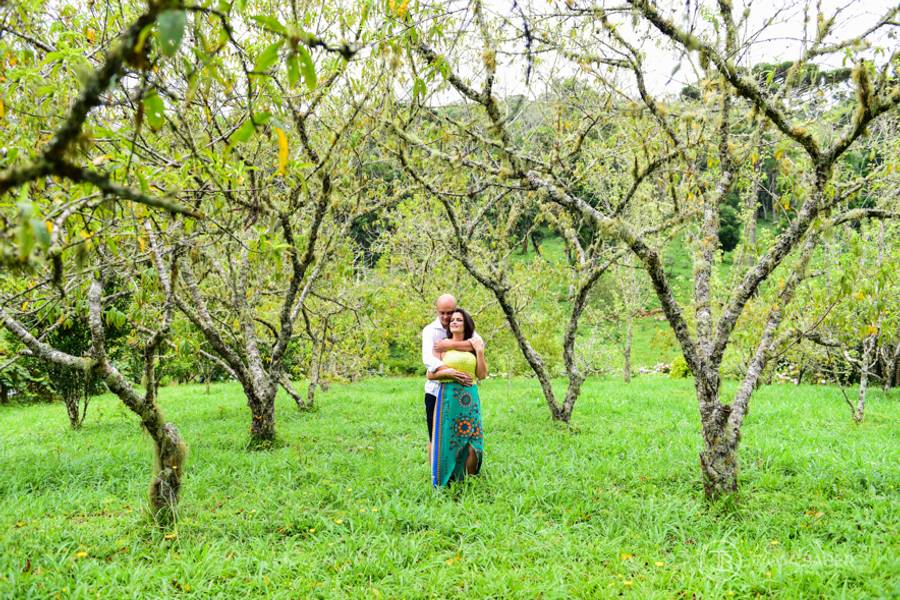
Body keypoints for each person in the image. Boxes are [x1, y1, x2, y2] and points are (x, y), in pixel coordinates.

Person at [427, 308, 488, 487]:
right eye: (452, 319)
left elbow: (482, 374)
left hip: (470, 397)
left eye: (459, 320)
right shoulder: (441, 346)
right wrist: (451, 373)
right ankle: (446, 479)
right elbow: (430, 375)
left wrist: (480, 352)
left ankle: (470, 480)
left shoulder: (474, 345)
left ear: (466, 324)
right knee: (448, 437)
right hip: (448, 397)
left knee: (473, 438)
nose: (454, 322)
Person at [421, 295, 483, 464]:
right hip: (436, 390)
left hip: (462, 393)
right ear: (437, 311)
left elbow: (478, 344)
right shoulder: (430, 331)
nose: (447, 317)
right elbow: (429, 361)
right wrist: (451, 373)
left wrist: (449, 345)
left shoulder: (459, 324)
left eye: (450, 312)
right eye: (443, 313)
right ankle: (436, 474)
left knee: (457, 435)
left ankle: (457, 471)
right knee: (435, 435)